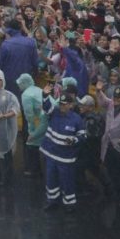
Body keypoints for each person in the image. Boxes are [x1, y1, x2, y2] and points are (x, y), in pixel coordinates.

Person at [40, 83, 86, 213]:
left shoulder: (77, 119)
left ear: (71, 105)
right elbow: (46, 107)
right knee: (51, 180)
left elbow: (82, 136)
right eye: (61, 104)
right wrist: (45, 95)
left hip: (66, 158)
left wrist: (74, 140)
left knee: (67, 181)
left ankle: (69, 204)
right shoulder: (54, 112)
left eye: (65, 104)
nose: (62, 106)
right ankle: (52, 201)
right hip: (51, 155)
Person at [0, 19, 37, 98]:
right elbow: (35, 63)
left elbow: (1, 65)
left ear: (9, 30)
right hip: (26, 80)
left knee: (11, 102)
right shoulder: (31, 42)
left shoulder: (5, 44)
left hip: (10, 81)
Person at [16, 73, 45, 177]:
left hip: (41, 121)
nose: (19, 86)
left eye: (20, 84)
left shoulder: (26, 95)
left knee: (31, 143)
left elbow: (29, 115)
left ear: (24, 83)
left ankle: (34, 170)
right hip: (47, 119)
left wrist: (31, 131)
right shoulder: (38, 89)